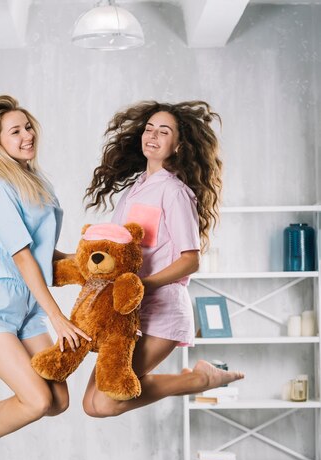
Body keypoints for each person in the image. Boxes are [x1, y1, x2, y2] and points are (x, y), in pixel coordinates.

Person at [0, 95, 90, 460]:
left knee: (58, 400)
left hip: (28, 308)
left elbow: (46, 253)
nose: (27, 135)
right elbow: (25, 259)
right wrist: (58, 317)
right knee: (35, 400)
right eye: (15, 131)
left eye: (27, 126)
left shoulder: (36, 181)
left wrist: (91, 266)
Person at [82, 100, 244, 418]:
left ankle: (200, 378)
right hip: (131, 312)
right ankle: (197, 377)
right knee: (92, 404)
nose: (152, 135)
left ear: (178, 145)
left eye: (164, 131)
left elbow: (190, 260)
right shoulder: (133, 191)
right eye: (149, 128)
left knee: (105, 402)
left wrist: (143, 284)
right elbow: (116, 252)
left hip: (163, 312)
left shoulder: (174, 192)